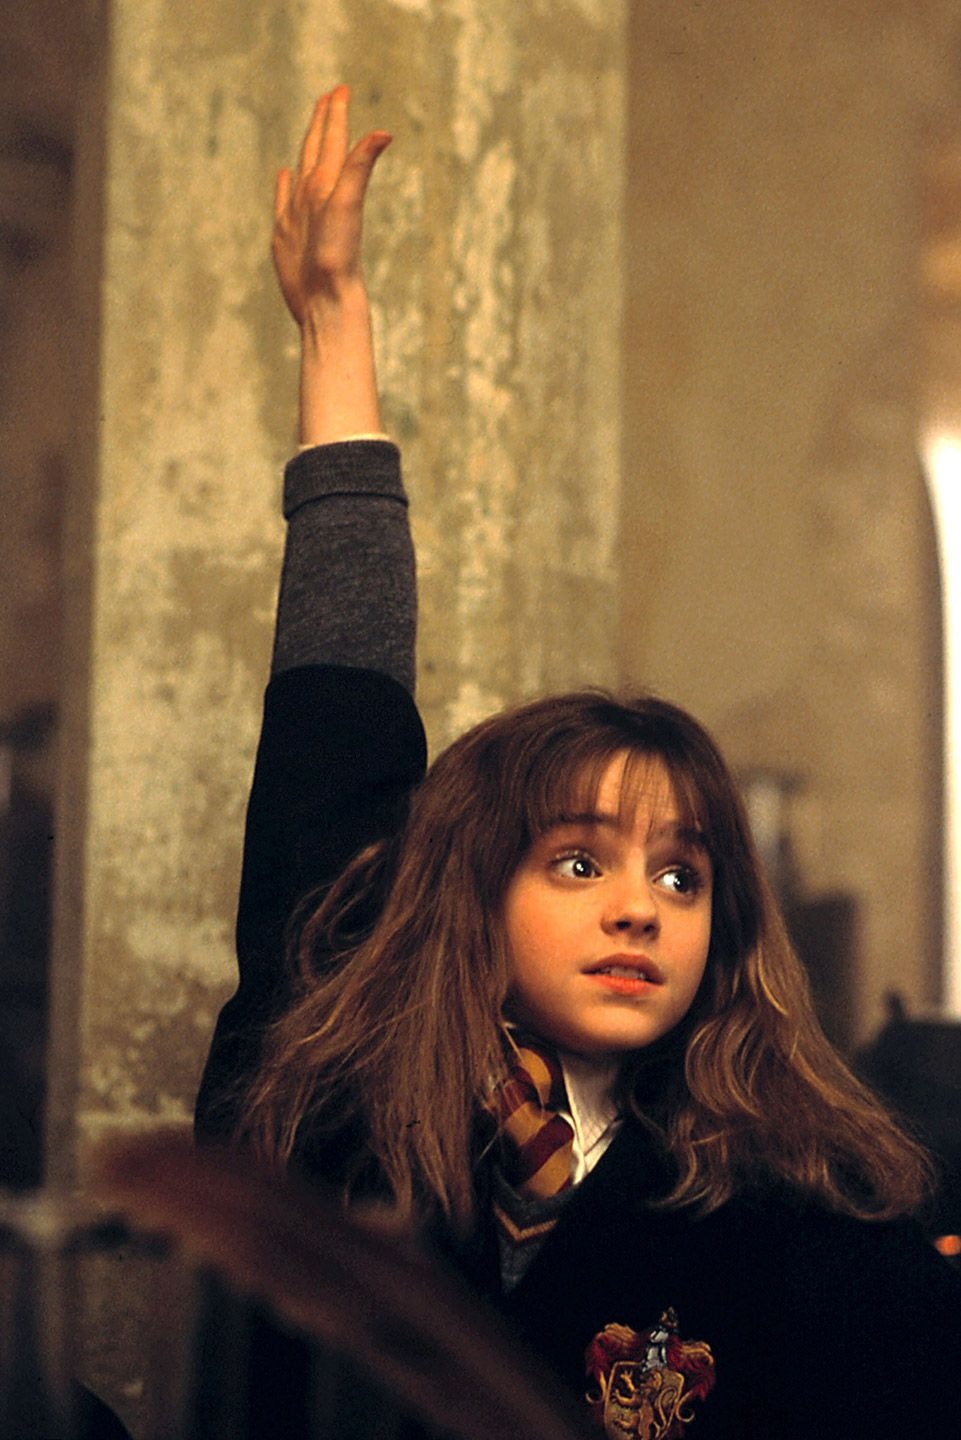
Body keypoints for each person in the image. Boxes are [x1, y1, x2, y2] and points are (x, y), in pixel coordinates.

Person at [196, 87, 961, 1439]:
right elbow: (339, 694)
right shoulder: (331, 1096)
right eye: (575, 863)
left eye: (680, 877)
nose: (638, 910)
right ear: (472, 892)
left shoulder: (787, 1200)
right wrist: (334, 329)